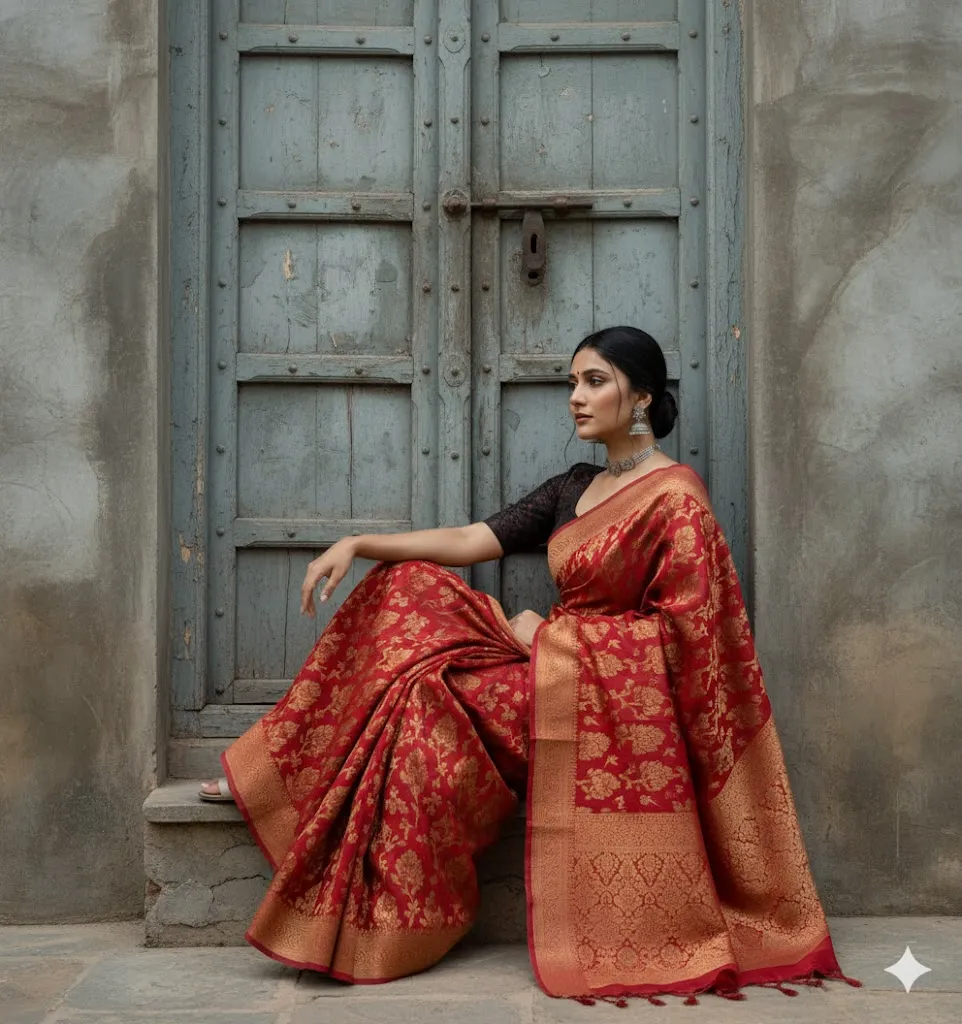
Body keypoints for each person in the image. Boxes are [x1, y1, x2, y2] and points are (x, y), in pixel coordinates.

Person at [199, 326, 856, 1002]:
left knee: (424, 697)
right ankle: (288, 771)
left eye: (594, 381)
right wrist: (360, 542)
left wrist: (554, 638)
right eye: (571, 382)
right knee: (407, 592)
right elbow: (470, 538)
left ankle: (387, 899)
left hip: (594, 705)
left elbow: (684, 640)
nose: (575, 397)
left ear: (641, 398)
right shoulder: (576, 485)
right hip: (542, 670)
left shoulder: (677, 500)